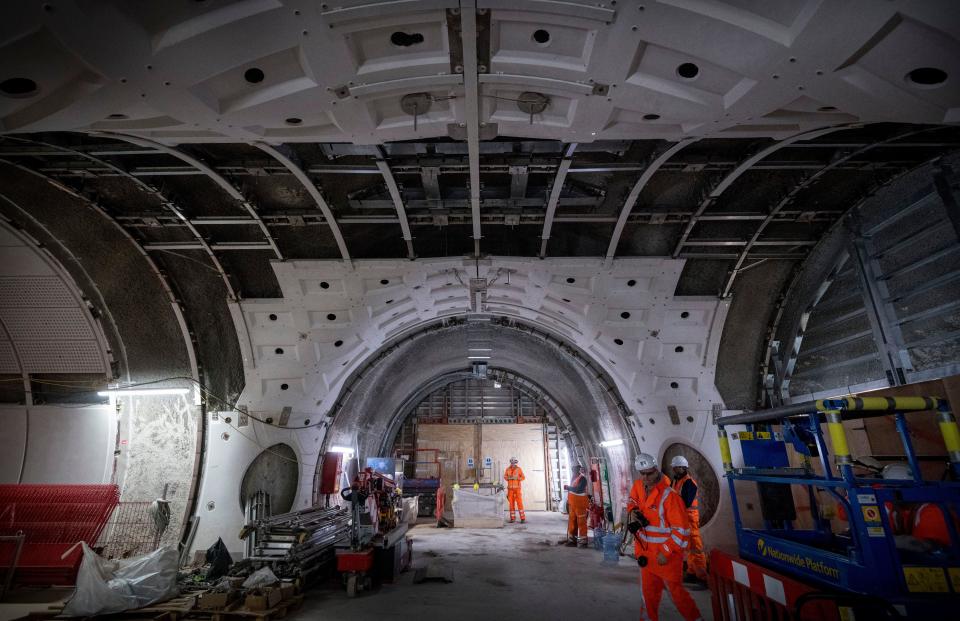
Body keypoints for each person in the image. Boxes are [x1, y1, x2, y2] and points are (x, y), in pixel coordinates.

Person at [627, 453, 703, 621]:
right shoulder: (639, 486)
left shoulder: (670, 495)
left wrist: (665, 552)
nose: (646, 477)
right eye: (643, 474)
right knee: (648, 596)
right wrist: (634, 512)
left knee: (677, 594)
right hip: (646, 554)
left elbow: (681, 531)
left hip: (665, 556)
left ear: (656, 470)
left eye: (649, 473)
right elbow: (632, 501)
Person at [670, 455, 708, 584]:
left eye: (677, 468)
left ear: (683, 468)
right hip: (681, 520)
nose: (675, 470)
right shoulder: (675, 481)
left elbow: (686, 502)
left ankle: (702, 577)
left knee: (695, 548)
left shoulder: (689, 483)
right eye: (674, 468)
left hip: (690, 520)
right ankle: (692, 572)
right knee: (689, 548)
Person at [563, 464, 589, 547]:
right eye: (573, 470)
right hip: (572, 504)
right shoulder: (574, 478)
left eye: (575, 470)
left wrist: (568, 488)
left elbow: (578, 490)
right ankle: (572, 540)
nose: (573, 471)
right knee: (572, 522)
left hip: (580, 504)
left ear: (578, 470)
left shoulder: (583, 479)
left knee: (581, 522)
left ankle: (583, 541)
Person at [504, 457, 526, 523]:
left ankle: (522, 518)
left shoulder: (519, 469)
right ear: (510, 462)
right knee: (511, 504)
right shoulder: (507, 469)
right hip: (510, 490)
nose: (513, 463)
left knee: (519, 503)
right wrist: (509, 478)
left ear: (516, 462)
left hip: (517, 490)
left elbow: (523, 477)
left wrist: (517, 478)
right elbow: (505, 476)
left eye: (514, 462)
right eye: (512, 462)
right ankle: (512, 518)